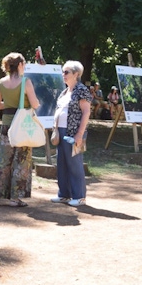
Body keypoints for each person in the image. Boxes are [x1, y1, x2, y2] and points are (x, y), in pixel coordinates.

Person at [0, 52, 40, 207]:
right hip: (22, 125)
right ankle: (15, 198)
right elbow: (35, 104)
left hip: (6, 124)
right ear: (20, 65)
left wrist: (9, 105)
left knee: (4, 160)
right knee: (21, 161)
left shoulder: (1, 82)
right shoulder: (26, 82)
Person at [51, 61, 92, 207]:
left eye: (66, 72)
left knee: (74, 164)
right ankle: (64, 195)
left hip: (73, 132)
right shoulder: (65, 91)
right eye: (63, 72)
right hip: (61, 131)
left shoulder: (81, 90)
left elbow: (86, 112)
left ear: (76, 74)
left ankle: (79, 196)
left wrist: (80, 134)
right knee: (61, 164)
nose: (63, 75)